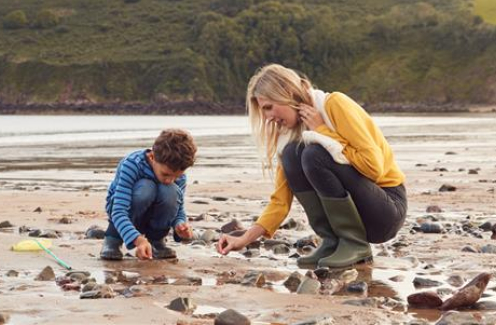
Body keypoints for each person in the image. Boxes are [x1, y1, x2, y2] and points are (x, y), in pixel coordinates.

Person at [216, 64, 407, 268]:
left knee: (314, 154)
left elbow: (373, 167)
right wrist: (245, 239)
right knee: (292, 154)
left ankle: (354, 243)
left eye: (268, 107)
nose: (267, 117)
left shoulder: (334, 104)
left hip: (385, 209)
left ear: (287, 93)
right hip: (360, 213)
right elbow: (280, 201)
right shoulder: (290, 136)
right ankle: (332, 241)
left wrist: (323, 131)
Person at [101, 129, 197, 260]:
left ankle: (156, 241)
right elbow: (118, 210)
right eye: (166, 174)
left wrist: (180, 225)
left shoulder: (178, 175)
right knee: (146, 187)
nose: (170, 180)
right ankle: (113, 239)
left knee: (170, 190)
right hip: (125, 211)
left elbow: (178, 209)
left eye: (176, 176)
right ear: (152, 157)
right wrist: (138, 240)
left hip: (153, 216)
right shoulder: (132, 164)